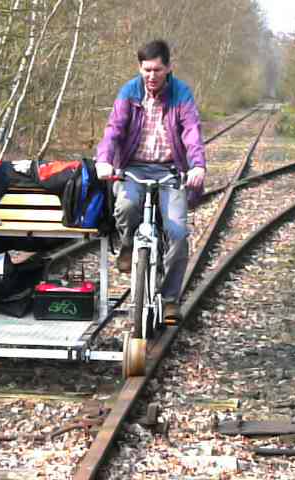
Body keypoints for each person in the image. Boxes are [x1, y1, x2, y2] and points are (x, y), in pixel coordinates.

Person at [95, 39, 206, 323]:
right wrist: (104, 160)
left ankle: (169, 300)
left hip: (170, 169)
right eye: (146, 70)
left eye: (157, 70)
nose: (151, 76)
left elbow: (191, 131)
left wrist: (197, 166)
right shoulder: (129, 92)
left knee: (177, 233)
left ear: (168, 68)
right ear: (139, 68)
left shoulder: (181, 93)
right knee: (126, 206)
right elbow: (113, 130)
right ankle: (128, 245)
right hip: (133, 167)